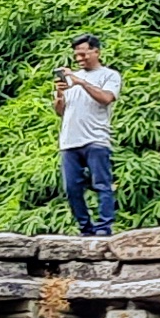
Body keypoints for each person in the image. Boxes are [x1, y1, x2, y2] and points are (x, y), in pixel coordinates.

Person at [55, 37, 122, 236]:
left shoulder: (109, 75)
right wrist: (59, 95)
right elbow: (60, 111)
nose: (79, 58)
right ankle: (85, 228)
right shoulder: (71, 78)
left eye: (83, 54)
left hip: (96, 139)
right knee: (72, 188)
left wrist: (81, 82)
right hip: (69, 140)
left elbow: (106, 98)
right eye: (76, 54)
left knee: (102, 184)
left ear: (96, 52)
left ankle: (104, 226)